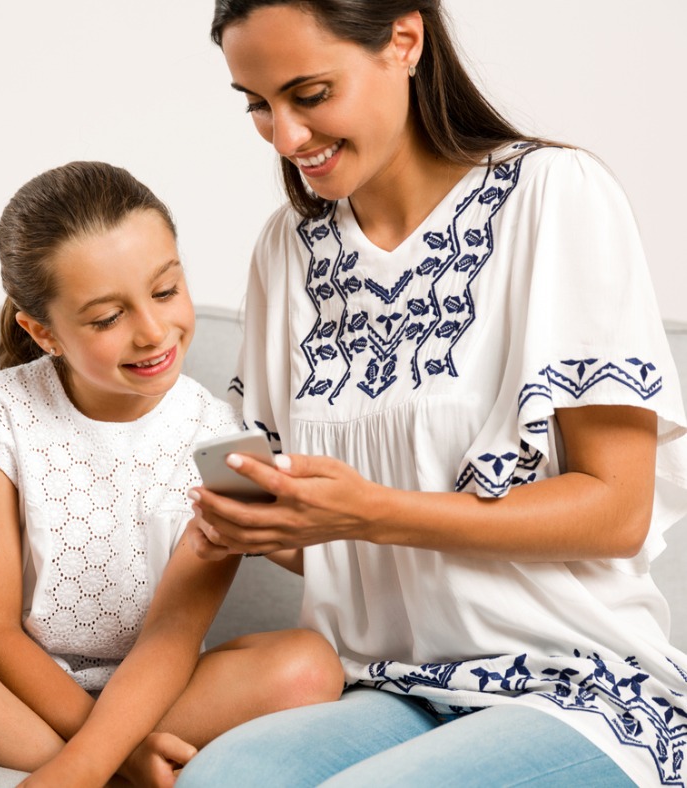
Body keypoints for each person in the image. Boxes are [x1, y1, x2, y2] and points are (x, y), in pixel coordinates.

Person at [176, 2, 687, 786]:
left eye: (309, 94)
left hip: (578, 683)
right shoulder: (287, 249)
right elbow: (321, 537)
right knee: (220, 781)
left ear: (403, 41)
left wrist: (372, 512)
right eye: (257, 104)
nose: (285, 137)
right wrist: (257, 523)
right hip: (389, 687)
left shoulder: (554, 196)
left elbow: (616, 511)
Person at [0, 161, 344, 787]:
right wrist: (114, 753)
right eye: (108, 318)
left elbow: (171, 638)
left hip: (142, 689)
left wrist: (100, 745)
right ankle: (91, 758)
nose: (152, 331)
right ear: (43, 332)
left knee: (308, 666)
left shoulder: (219, 441)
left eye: (165, 291)